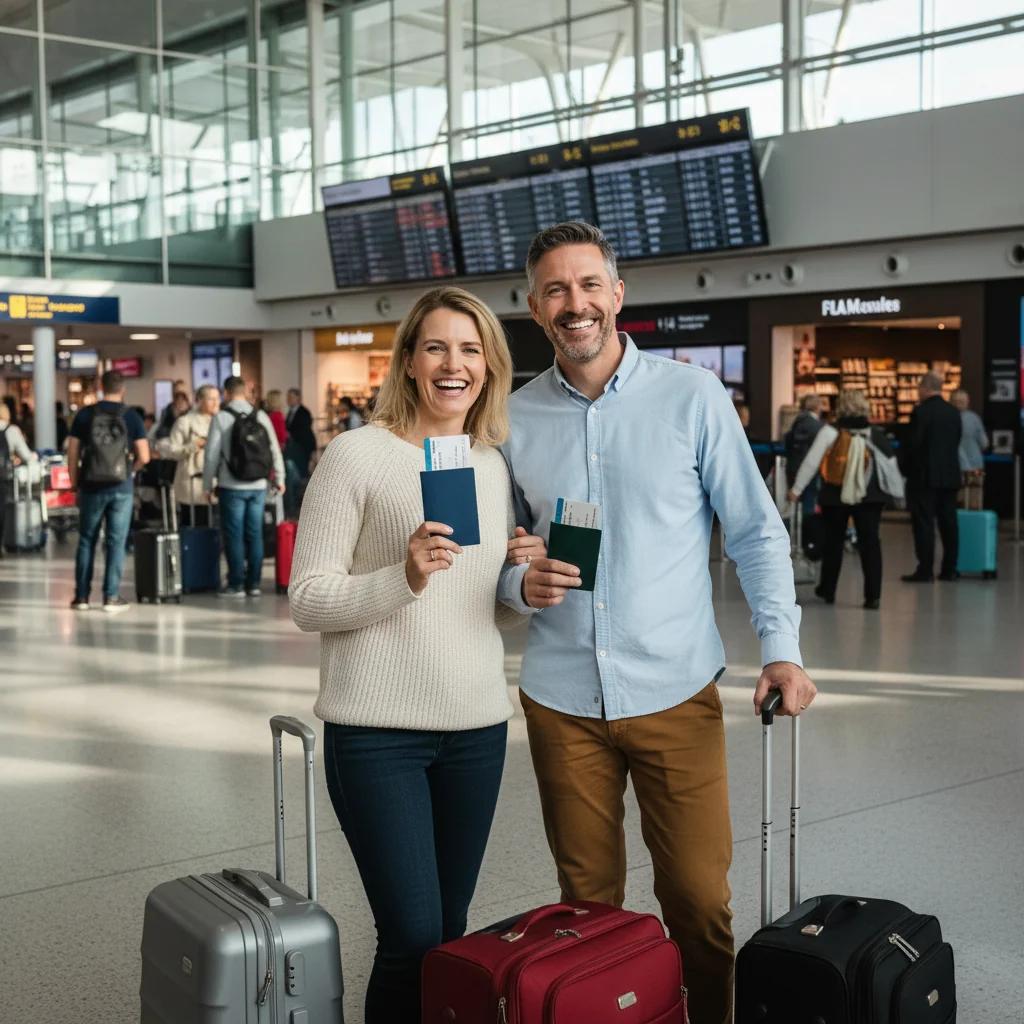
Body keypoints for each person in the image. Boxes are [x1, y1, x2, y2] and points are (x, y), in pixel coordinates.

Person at [497, 222, 816, 1024]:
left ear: (618, 295)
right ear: (535, 308)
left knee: (700, 905)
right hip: (562, 698)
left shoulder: (690, 396)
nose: (576, 305)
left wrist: (781, 649)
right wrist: (513, 581)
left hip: (674, 691)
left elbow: (752, 531)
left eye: (590, 285)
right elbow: (497, 554)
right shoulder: (513, 418)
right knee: (586, 912)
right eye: (557, 291)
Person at [289, 286, 535, 1024]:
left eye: (470, 349)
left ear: (489, 368)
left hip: (475, 727)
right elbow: (308, 599)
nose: (453, 364)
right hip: (377, 735)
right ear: (408, 361)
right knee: (411, 935)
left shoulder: (486, 464)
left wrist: (524, 586)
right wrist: (403, 575)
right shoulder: (356, 455)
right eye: (435, 347)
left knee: (448, 934)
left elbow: (476, 603)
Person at [788, 389, 895, 609]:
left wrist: (797, 489)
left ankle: (828, 590)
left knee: (833, 542)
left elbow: (812, 461)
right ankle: (873, 596)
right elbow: (890, 466)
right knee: (870, 543)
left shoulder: (831, 431)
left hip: (835, 495)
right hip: (869, 496)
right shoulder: (875, 434)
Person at [67, 370, 150, 612]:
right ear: (123, 389)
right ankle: (111, 597)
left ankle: (81, 597)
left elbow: (72, 454)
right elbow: (144, 455)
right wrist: (130, 470)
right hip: (121, 487)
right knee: (116, 541)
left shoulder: (84, 415)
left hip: (91, 486)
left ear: (101, 388)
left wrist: (75, 483)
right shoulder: (132, 416)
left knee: (86, 540)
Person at [202, 376, 285, 598]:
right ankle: (254, 584)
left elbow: (211, 454)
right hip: (258, 484)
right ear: (245, 392)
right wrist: (280, 477)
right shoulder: (260, 416)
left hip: (232, 485)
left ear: (226, 393)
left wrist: (207, 484)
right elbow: (274, 448)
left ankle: (236, 584)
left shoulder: (221, 418)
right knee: (255, 533)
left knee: (234, 535)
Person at [899, 371, 962, 582]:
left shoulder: (921, 412)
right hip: (950, 476)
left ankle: (925, 569)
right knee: (949, 523)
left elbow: (913, 445)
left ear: (925, 388)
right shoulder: (954, 413)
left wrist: (906, 469)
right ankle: (950, 569)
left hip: (924, 477)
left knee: (924, 524)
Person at [166, 385, 219, 525]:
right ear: (200, 400)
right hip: (192, 483)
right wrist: (194, 446)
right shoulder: (185, 422)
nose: (215, 402)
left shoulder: (221, 420)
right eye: (211, 399)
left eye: (217, 398)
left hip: (217, 483)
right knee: (193, 525)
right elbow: (172, 451)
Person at [0, 402, 37, 557]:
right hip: (2, 477)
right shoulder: (11, 430)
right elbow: (26, 455)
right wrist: (33, 457)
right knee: (1, 511)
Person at [284, 388, 316, 516]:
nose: (289, 400)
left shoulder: (303, 412)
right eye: (288, 397)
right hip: (294, 449)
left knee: (300, 477)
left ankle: (300, 505)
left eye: (291, 397)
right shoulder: (290, 412)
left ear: (297, 398)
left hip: (301, 450)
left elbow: (305, 433)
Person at [952, 389, 988, 498]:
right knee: (974, 497)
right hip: (975, 465)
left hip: (953, 467)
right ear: (967, 402)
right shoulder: (974, 418)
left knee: (957, 499)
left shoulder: (947, 418)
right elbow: (984, 443)